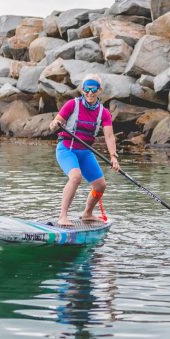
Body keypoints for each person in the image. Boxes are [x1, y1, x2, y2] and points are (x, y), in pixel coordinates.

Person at [49, 74, 120, 226]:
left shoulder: (104, 113)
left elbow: (109, 136)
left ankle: (87, 214)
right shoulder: (72, 105)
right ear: (82, 89)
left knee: (100, 185)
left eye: (93, 89)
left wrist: (113, 157)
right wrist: (54, 124)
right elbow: (55, 123)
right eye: (87, 89)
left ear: (99, 90)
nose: (90, 92)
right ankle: (62, 216)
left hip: (85, 152)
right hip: (67, 149)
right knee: (76, 176)